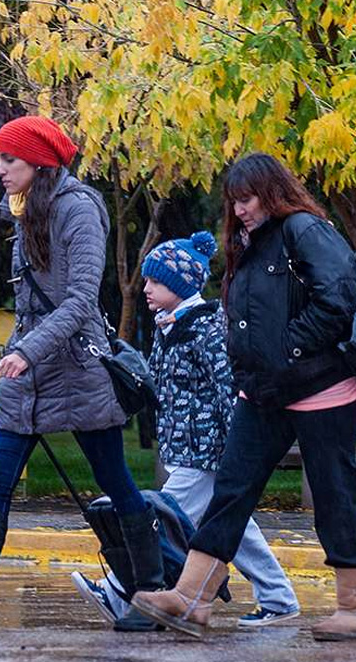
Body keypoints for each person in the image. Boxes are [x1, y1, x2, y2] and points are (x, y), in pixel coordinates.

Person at [0, 115, 162, 634]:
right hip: (31, 371)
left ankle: (150, 596)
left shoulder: (79, 210)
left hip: (78, 368)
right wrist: (23, 354)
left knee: (114, 479)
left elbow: (81, 301)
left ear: (39, 163)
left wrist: (28, 351)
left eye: (9, 160)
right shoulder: (27, 211)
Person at [131, 153, 356, 641]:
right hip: (264, 390)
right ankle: (191, 598)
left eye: (247, 199)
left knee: (334, 493)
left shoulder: (305, 230)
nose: (239, 209)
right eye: (234, 201)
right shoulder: (252, 242)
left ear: (271, 191)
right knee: (231, 489)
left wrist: (288, 348)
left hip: (321, 387)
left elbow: (340, 297)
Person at [71, 231, 301, 629]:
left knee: (158, 516)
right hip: (189, 449)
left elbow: (230, 391)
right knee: (234, 525)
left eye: (155, 282)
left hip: (207, 451)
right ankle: (279, 598)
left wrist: (240, 450)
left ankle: (118, 590)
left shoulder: (208, 329)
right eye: (145, 281)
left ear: (180, 285)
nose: (146, 289)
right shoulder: (168, 327)